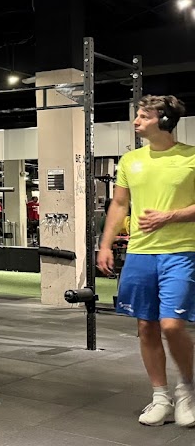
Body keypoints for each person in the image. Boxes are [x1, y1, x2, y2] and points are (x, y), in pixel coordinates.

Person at [97, 94, 195, 427]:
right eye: (136, 115)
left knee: (172, 325)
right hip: (140, 253)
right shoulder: (130, 161)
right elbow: (119, 205)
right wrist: (105, 244)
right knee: (145, 326)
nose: (136, 121)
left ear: (164, 120)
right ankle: (160, 397)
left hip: (181, 252)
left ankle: (187, 390)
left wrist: (170, 216)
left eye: (144, 116)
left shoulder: (191, 157)